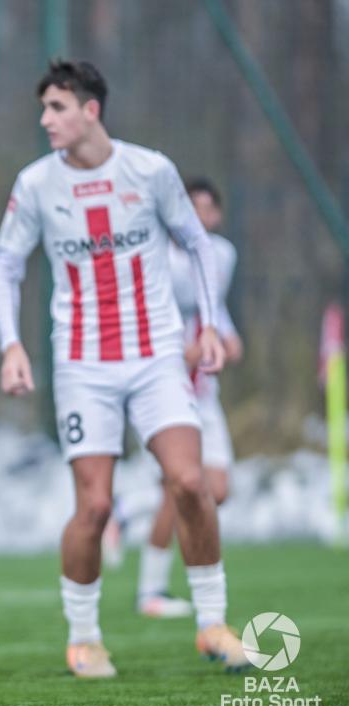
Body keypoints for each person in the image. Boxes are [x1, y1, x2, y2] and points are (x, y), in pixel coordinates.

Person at [0, 59, 249, 678]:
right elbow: (6, 267)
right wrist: (11, 344)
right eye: (43, 108)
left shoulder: (150, 170)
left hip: (156, 355)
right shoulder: (36, 183)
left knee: (191, 482)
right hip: (83, 364)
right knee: (96, 506)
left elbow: (198, 244)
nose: (45, 120)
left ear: (91, 110)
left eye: (56, 107)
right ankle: (84, 637)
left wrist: (209, 327)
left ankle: (213, 622)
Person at [135, 177, 242, 618]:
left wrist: (227, 339)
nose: (198, 215)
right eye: (190, 206)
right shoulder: (156, 257)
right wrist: (187, 352)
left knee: (216, 489)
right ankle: (151, 590)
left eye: (206, 208)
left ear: (217, 215)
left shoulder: (222, 255)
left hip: (205, 396)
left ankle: (125, 514)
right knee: (176, 488)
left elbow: (213, 310)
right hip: (166, 394)